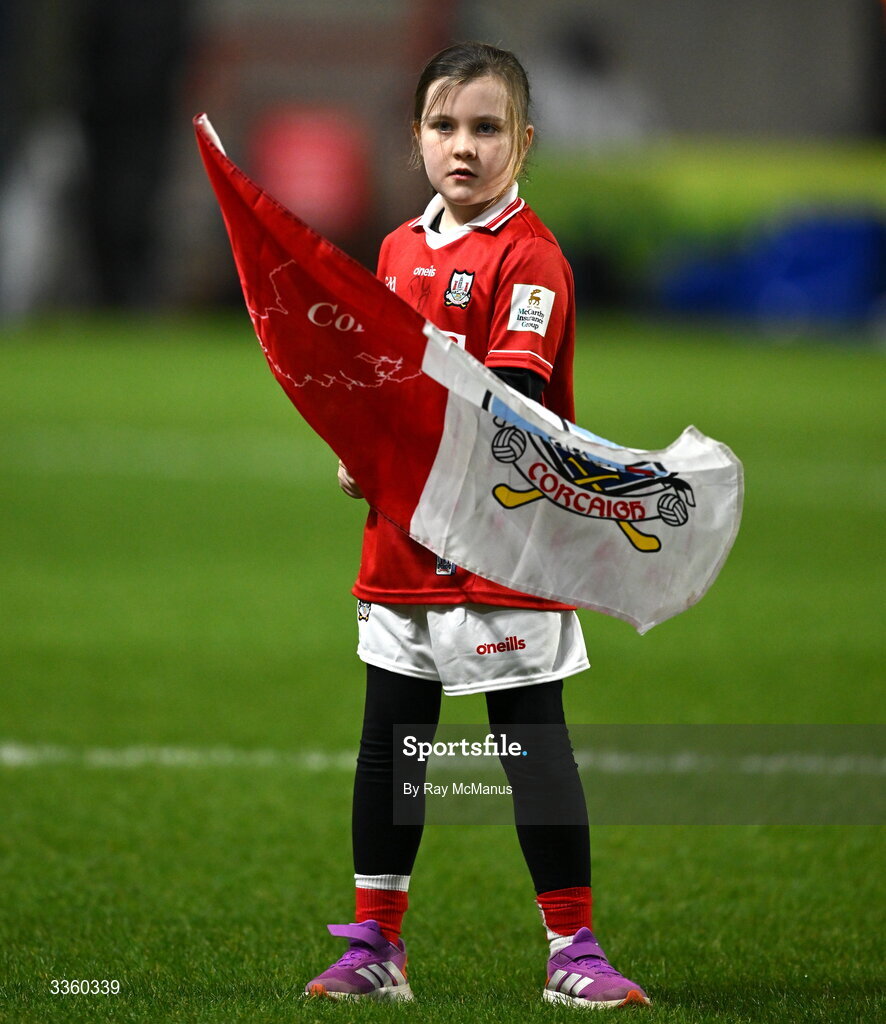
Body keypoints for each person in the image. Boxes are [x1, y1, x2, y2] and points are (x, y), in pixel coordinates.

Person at [304, 42, 649, 1010]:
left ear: (523, 144)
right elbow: (381, 382)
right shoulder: (395, 250)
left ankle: (572, 949)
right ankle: (375, 941)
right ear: (414, 141)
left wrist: (392, 443)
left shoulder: (529, 257)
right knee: (394, 742)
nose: (464, 146)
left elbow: (511, 402)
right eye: (445, 126)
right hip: (404, 540)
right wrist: (361, 443)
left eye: (486, 127)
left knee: (529, 741)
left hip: (504, 545)